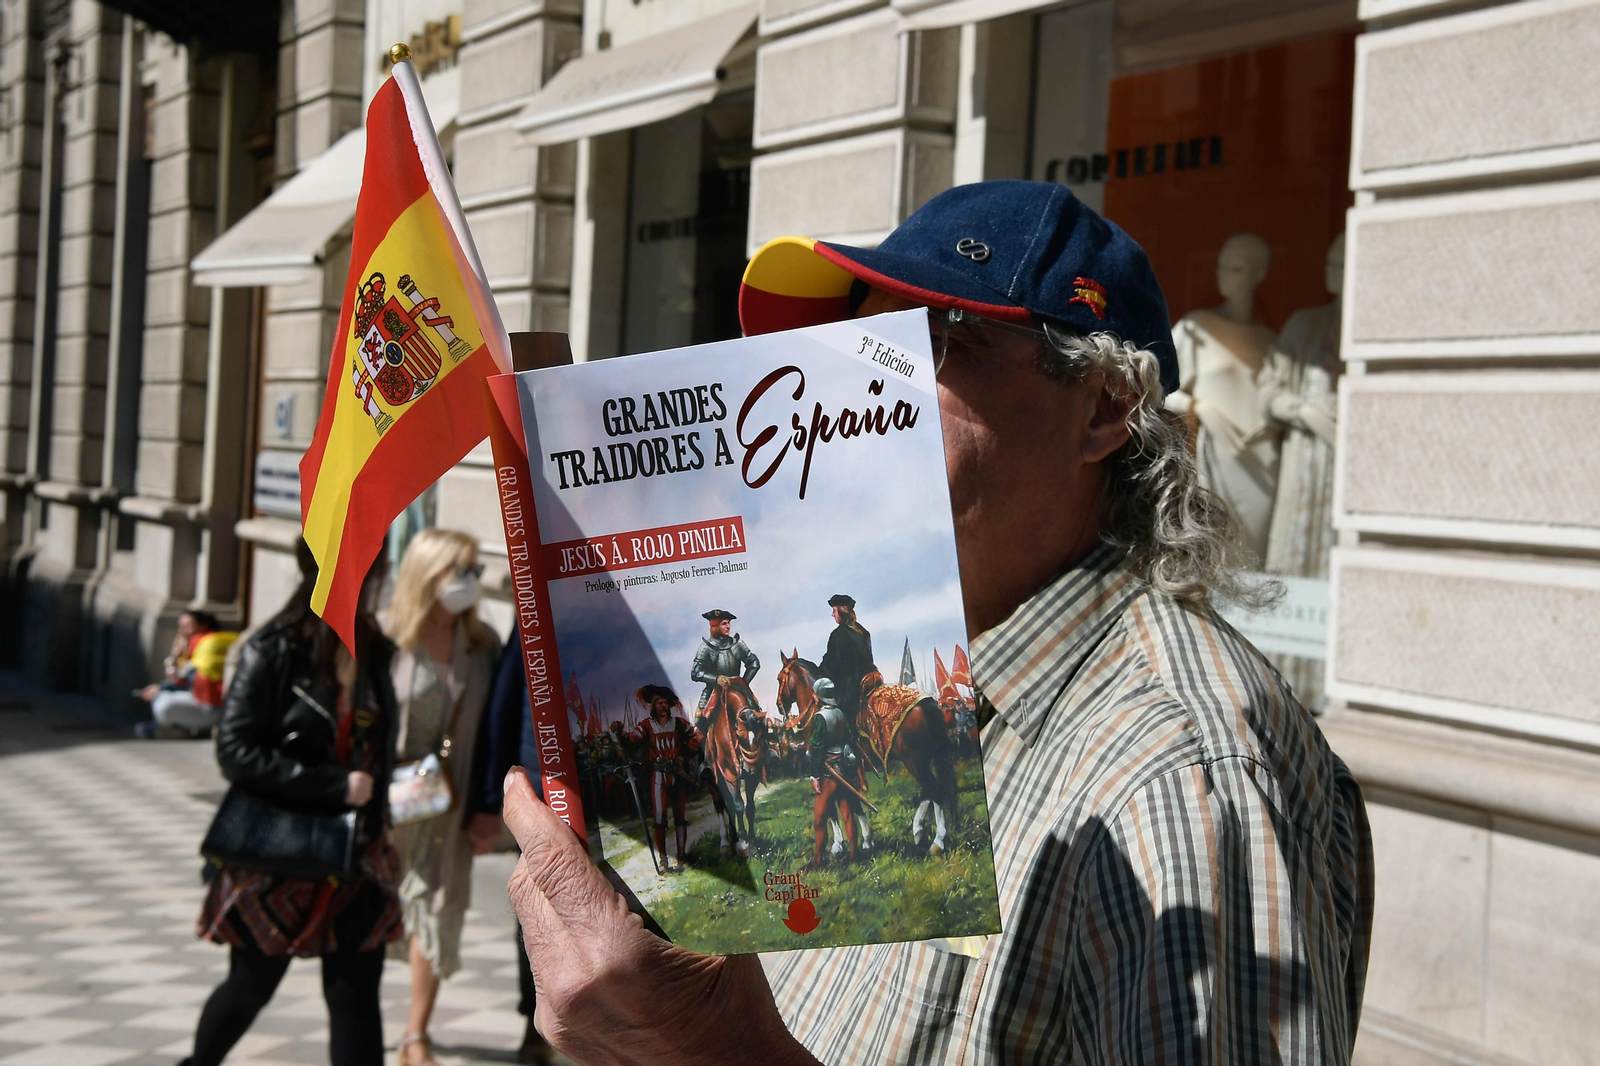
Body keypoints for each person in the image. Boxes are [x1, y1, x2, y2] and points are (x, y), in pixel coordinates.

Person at [499, 180, 1374, 1066]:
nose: (848, 414)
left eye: (928, 346)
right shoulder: (954, 656)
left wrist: (721, 1049)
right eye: (850, 356)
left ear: (1105, 408)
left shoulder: (1176, 771)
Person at [183, 542, 401, 1066]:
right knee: (251, 986)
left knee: (355, 996)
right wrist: (332, 786)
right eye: (375, 564)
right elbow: (234, 750)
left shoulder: (376, 648)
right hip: (283, 850)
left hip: (359, 855)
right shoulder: (275, 647)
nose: (382, 577)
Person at [384, 528, 503, 1066]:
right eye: (463, 572)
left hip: (450, 804)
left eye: (476, 573)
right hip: (391, 803)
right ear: (429, 574)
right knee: (382, 905)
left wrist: (488, 809)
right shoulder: (390, 642)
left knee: (437, 907)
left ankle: (415, 1034)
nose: (472, 584)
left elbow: (497, 732)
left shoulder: (482, 646)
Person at [626, 685, 700, 872]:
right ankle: (663, 859)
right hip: (659, 776)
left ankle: (681, 857)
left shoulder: (680, 723)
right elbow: (632, 739)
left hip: (678, 776)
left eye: (665, 702)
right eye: (659, 702)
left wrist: (683, 756)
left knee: (680, 817)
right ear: (653, 705)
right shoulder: (646, 726)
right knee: (659, 819)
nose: (663, 705)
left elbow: (696, 737)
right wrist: (620, 733)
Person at [136, 609, 237, 738]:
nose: (182, 631)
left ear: (202, 626)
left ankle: (177, 730)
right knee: (161, 695)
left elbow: (191, 681)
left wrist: (175, 663)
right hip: (206, 702)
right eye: (180, 626)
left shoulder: (208, 645)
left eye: (187, 626)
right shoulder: (195, 647)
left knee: (163, 704)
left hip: (215, 707)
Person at [805, 677, 869, 868]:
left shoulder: (819, 717)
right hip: (845, 771)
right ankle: (854, 854)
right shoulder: (840, 713)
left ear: (818, 696)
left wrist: (815, 776)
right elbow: (849, 738)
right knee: (847, 813)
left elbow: (816, 748)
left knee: (819, 819)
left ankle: (817, 861)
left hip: (829, 774)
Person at [690, 608, 759, 735]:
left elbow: (754, 663)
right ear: (715, 626)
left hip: (737, 690)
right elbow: (695, 672)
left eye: (728, 623)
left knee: (757, 720)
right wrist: (716, 679)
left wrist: (742, 683)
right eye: (724, 623)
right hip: (712, 691)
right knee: (701, 726)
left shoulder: (737, 644)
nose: (728, 626)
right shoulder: (705, 648)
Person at [816, 594, 876, 722]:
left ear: (842, 611)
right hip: (868, 683)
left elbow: (831, 664)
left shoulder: (838, 635)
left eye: (834, 610)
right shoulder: (864, 632)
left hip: (850, 691)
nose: (832, 614)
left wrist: (818, 675)